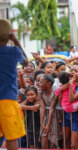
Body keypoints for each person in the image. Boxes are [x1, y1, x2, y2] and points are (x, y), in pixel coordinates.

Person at [0, 19, 27, 150]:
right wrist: (16, 41)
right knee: (11, 138)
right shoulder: (14, 51)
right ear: (9, 35)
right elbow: (26, 62)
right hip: (8, 102)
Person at [39, 74, 61, 149]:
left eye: (41, 82)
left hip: (53, 118)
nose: (39, 83)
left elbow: (51, 108)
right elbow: (42, 108)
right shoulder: (40, 93)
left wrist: (48, 125)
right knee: (44, 142)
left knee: (53, 144)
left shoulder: (55, 93)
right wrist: (42, 124)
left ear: (48, 84)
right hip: (44, 118)